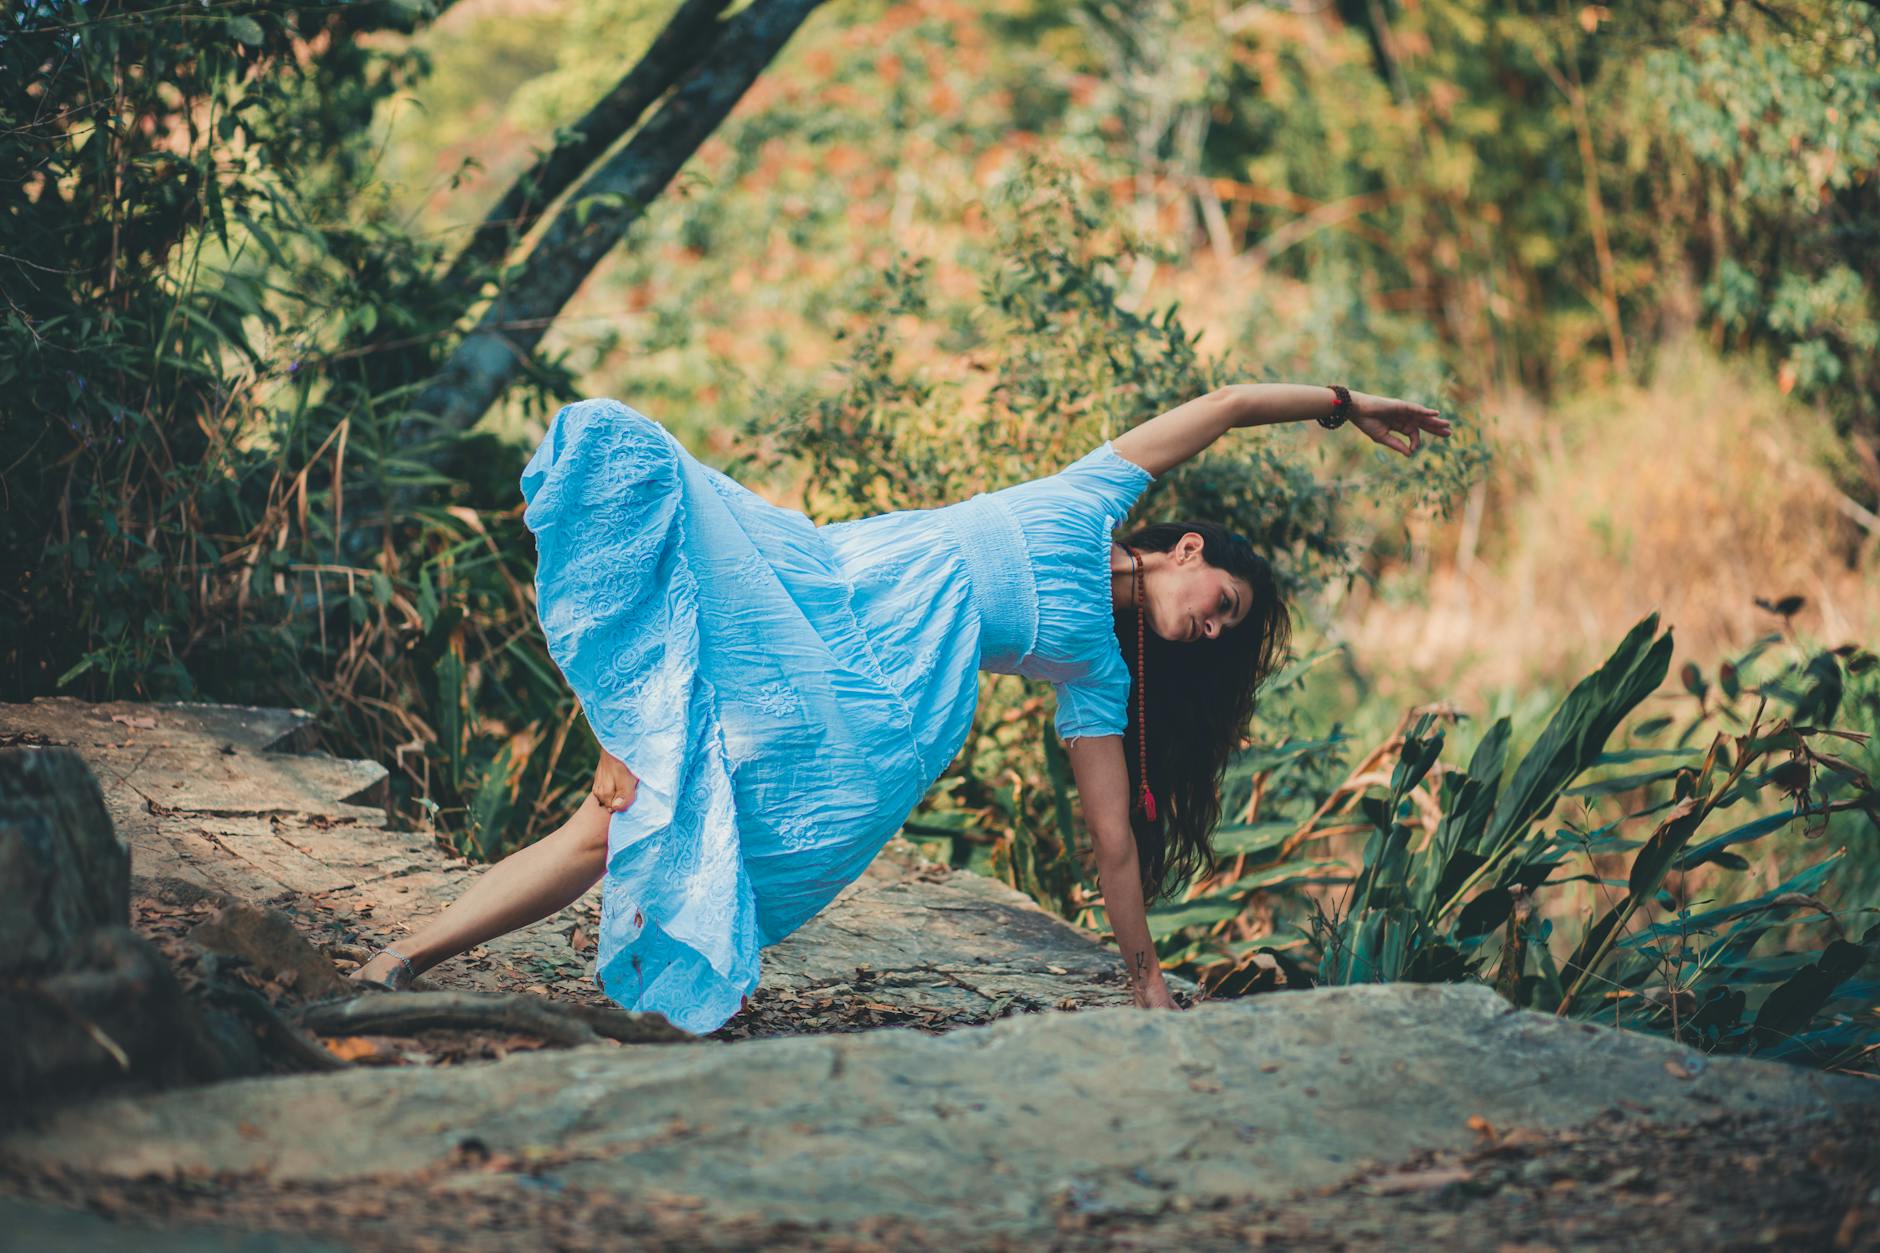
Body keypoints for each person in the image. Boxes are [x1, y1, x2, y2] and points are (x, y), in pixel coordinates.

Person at [348, 383, 1450, 1031]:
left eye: (1224, 633)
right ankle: (406, 952)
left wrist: (1143, 973)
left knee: (614, 826)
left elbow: (1112, 839)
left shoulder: (1096, 672)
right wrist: (1347, 407)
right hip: (814, 584)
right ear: (1187, 549)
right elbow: (1223, 408)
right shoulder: (1090, 493)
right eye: (1222, 604)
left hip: (864, 703)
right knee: (635, 459)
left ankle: (400, 962)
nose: (1213, 626)